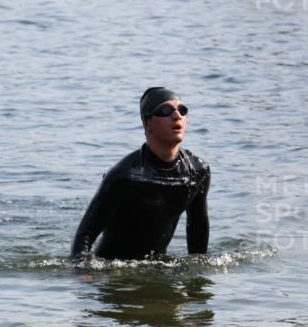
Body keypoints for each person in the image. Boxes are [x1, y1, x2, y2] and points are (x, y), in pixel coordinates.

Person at [71, 87, 210, 262]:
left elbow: (198, 229)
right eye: (166, 110)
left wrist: (198, 274)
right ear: (148, 123)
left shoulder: (197, 171)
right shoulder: (124, 175)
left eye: (182, 110)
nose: (177, 116)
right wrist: (83, 270)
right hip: (112, 267)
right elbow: (84, 235)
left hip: (158, 264)